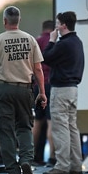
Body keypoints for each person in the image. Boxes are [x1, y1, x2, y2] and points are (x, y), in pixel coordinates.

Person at [0, 6, 46, 174]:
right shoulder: (30, 40)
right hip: (25, 88)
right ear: (18, 20)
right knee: (24, 127)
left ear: (5, 21)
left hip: (5, 88)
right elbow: (38, 68)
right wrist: (42, 92)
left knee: (5, 130)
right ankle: (26, 160)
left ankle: (13, 172)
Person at [42, 11, 84, 174]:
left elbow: (46, 58)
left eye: (58, 24)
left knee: (60, 128)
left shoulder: (63, 44)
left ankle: (62, 165)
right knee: (72, 127)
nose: (56, 27)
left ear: (63, 25)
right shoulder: (77, 42)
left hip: (61, 89)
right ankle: (76, 165)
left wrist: (51, 40)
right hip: (73, 88)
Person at [33, 19, 54, 166]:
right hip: (50, 85)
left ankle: (34, 156)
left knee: (37, 121)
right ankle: (52, 157)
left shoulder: (35, 42)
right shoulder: (54, 43)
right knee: (51, 121)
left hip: (37, 86)